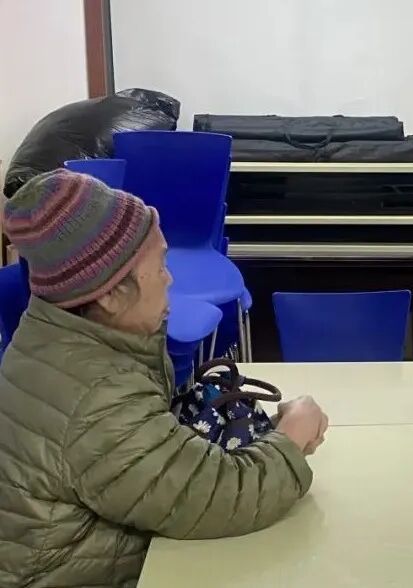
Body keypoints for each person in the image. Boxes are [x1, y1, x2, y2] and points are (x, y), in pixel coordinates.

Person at [0, 170, 328, 587]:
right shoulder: (98, 398)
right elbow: (218, 498)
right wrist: (292, 436)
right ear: (109, 294)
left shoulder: (51, 335)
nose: (169, 278)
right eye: (159, 265)